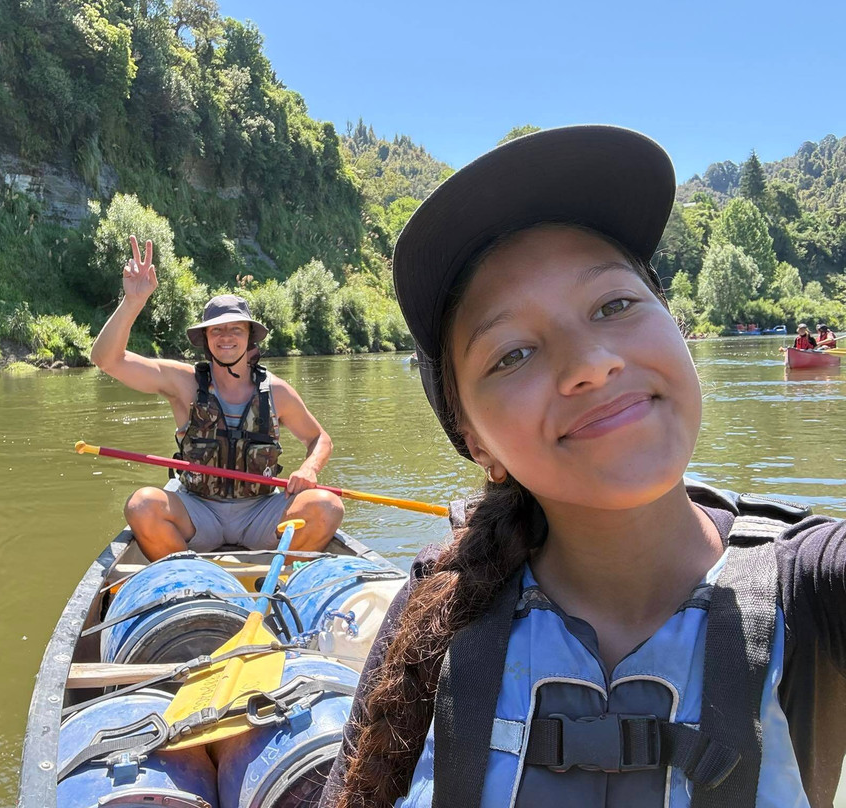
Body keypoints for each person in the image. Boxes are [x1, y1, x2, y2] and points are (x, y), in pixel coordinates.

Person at [322, 127, 846, 808]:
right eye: (511, 354)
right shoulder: (437, 603)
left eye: (615, 305)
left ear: (675, 325)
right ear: (476, 442)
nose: (591, 363)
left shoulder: (815, 586)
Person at [90, 236, 344, 560]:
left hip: (261, 512)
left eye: (235, 329)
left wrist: (310, 468)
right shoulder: (182, 382)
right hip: (198, 513)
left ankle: (275, 583)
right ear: (205, 339)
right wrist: (133, 302)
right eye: (216, 331)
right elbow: (107, 360)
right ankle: (192, 581)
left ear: (249, 337)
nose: (226, 337)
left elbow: (319, 438)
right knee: (142, 505)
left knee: (328, 506)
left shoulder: (276, 391)